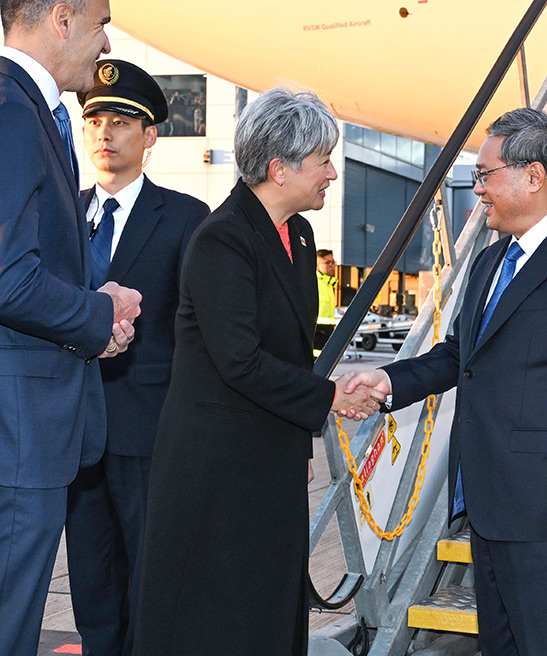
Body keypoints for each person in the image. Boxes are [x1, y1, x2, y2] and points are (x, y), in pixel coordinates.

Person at [344, 108, 547, 656]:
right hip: (487, 500)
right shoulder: (489, 261)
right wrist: (387, 380)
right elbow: (460, 355)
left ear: (533, 175)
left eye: (484, 174)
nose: (477, 187)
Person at [134, 87, 378, 656]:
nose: (332, 173)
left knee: (268, 606)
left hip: (271, 458)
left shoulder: (299, 234)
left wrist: (304, 426)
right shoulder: (222, 239)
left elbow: (289, 350)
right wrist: (330, 398)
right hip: (217, 470)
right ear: (278, 168)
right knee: (219, 616)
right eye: (323, 160)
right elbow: (239, 360)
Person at [0, 2, 142, 655]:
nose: (106, 42)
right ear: (61, 17)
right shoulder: (13, 111)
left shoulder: (30, 110)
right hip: (19, 433)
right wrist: (97, 315)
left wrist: (91, 307)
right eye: (101, 21)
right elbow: (8, 278)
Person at [64, 59, 210, 656]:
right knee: (90, 580)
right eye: (95, 120)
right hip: (73, 430)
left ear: (150, 137)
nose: (105, 133)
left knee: (150, 578)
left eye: (121, 122)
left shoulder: (185, 218)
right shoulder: (61, 213)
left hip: (149, 431)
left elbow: (198, 334)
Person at [314, 248, 337, 356]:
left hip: (328, 331)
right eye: (328, 262)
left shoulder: (329, 284)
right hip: (316, 331)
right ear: (317, 265)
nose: (332, 265)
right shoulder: (314, 282)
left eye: (333, 262)